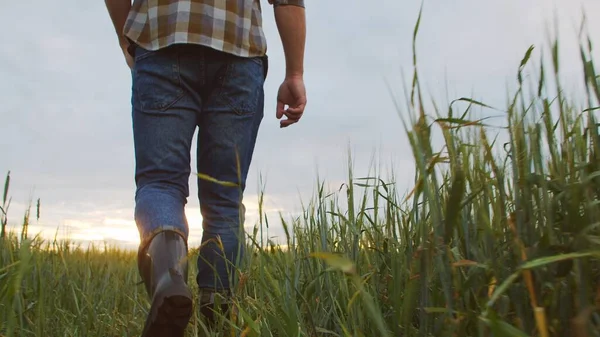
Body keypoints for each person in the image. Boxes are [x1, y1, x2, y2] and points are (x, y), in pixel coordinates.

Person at [104, 0, 307, 336]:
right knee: (224, 200)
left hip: (162, 40)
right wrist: (295, 74)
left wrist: (127, 34)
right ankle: (217, 320)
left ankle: (169, 281)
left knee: (160, 184)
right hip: (240, 51)